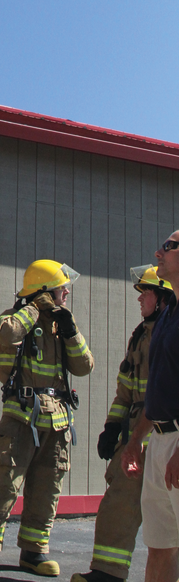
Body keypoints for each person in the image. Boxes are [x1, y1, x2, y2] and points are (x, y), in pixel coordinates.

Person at [0, 259, 94, 577]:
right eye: (61, 288)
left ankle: (34, 552)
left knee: (47, 488)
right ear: (45, 292)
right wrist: (34, 308)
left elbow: (85, 366)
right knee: (4, 484)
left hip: (58, 422)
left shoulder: (61, 325)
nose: (66, 293)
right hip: (20, 419)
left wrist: (71, 330)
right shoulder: (17, 319)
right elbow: (6, 333)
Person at [71, 266, 172, 582]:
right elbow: (125, 390)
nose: (140, 299)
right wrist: (112, 426)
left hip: (164, 430)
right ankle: (107, 572)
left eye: (146, 293)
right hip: (135, 433)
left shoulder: (169, 334)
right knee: (119, 502)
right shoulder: (140, 334)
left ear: (162, 297)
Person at [120, 231, 179, 582]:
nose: (158, 252)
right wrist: (136, 439)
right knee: (160, 547)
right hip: (159, 443)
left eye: (169, 247)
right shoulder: (169, 313)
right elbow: (161, 389)